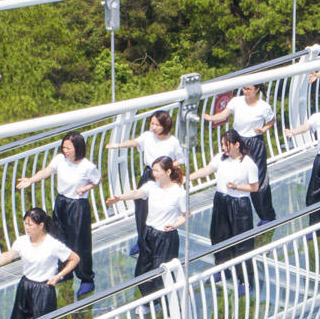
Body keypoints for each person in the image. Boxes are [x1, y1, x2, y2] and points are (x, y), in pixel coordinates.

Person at [16, 134, 105, 296]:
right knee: (59, 238)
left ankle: (86, 278)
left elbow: (97, 180)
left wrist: (86, 188)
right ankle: (66, 272)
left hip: (78, 205)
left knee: (79, 243)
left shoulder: (87, 166)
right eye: (64, 147)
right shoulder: (59, 159)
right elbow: (47, 171)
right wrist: (31, 180)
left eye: (69, 148)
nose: (66, 151)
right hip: (62, 202)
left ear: (78, 148)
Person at [201, 84, 277, 224]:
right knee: (235, 173)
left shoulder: (263, 106)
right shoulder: (236, 101)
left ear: (257, 90)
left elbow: (272, 120)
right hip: (238, 141)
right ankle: (237, 211)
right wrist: (212, 118)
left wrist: (264, 129)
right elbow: (225, 114)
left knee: (258, 180)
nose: (245, 91)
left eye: (249, 89)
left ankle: (266, 216)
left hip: (254, 142)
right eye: (244, 88)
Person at [111, 157, 189, 290]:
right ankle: (148, 300)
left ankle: (167, 303)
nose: (154, 174)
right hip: (149, 233)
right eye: (153, 170)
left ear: (168, 172)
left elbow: (185, 215)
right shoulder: (152, 186)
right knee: (143, 269)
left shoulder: (179, 193)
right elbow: (137, 193)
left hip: (165, 237)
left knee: (161, 273)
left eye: (157, 171)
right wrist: (119, 198)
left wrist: (174, 225)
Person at [119, 111, 185, 250]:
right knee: (141, 208)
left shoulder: (173, 141)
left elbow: (181, 159)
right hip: (149, 174)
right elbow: (135, 142)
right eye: (152, 124)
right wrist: (117, 146)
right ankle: (142, 240)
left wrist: (168, 167)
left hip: (164, 177)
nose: (154, 127)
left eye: (157, 124)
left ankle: (159, 238)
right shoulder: (148, 136)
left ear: (165, 125)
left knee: (159, 207)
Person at [206, 131, 266, 262]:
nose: (223, 148)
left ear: (237, 145)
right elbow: (206, 170)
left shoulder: (248, 163)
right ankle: (222, 268)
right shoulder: (221, 158)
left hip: (239, 204)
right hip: (221, 200)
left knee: (242, 241)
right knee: (219, 236)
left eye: (226, 145)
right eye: (222, 144)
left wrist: (236, 187)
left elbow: (254, 187)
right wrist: (186, 178)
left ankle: (244, 278)